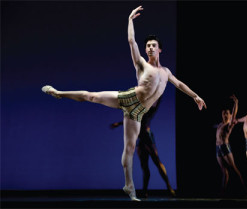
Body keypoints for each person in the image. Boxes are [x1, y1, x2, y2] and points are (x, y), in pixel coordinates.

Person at [41, 6, 206, 201]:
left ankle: (129, 187)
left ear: (160, 49)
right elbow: (131, 41)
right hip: (130, 98)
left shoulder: (166, 72)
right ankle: (59, 93)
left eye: (154, 45)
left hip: (138, 112)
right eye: (148, 46)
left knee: (129, 148)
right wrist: (130, 19)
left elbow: (179, 84)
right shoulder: (142, 64)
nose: (150, 48)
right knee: (92, 96)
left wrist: (195, 96)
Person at [110, 96, 176, 198]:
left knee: (157, 162)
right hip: (140, 139)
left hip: (148, 138)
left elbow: (156, 104)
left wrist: (159, 93)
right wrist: (118, 124)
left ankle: (169, 187)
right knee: (144, 166)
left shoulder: (148, 109)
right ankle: (145, 191)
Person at [215, 94, 247, 197]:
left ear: (229, 115)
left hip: (225, 147)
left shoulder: (230, 123)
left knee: (234, 168)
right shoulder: (220, 124)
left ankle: (244, 188)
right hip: (218, 148)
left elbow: (234, 114)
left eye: (227, 113)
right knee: (224, 171)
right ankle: (222, 191)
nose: (225, 115)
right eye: (223, 113)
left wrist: (236, 103)